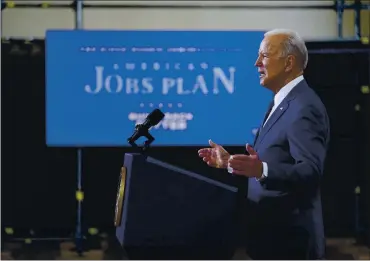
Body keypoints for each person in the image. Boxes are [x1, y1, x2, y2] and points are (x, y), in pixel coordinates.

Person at [198, 29, 330, 260]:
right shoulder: (282, 102)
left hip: (291, 244)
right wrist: (231, 162)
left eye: (265, 55)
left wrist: (262, 170)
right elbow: (274, 158)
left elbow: (310, 171)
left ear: (289, 62)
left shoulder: (304, 107)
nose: (257, 62)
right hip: (270, 240)